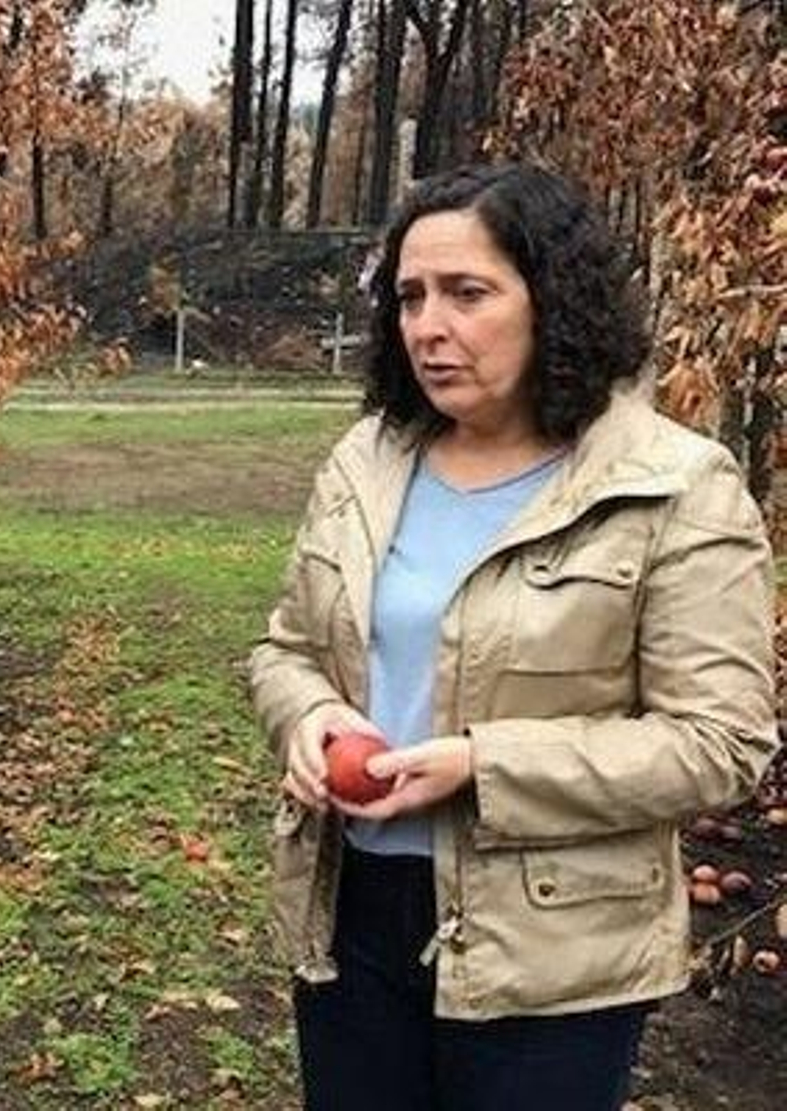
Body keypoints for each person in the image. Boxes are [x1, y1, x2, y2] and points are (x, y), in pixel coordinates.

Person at [246, 162, 778, 1111]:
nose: (427, 326)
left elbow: (720, 741)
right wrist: (310, 718)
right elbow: (285, 648)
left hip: (553, 952)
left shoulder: (674, 487)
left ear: (553, 301)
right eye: (409, 296)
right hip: (353, 914)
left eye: (467, 293)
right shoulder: (369, 461)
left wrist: (483, 766)